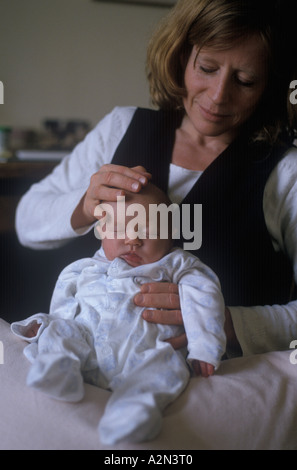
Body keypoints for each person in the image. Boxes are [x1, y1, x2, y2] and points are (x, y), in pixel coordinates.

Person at [15, 0, 297, 359]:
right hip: (92, 364)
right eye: (207, 68)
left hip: (214, 380)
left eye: (245, 80)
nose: (218, 95)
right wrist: (83, 206)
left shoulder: (285, 172)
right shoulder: (120, 127)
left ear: (270, 86)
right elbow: (26, 220)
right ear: (181, 57)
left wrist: (228, 323)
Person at [11, 183, 226, 444]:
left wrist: (204, 346)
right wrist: (47, 326)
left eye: (148, 230)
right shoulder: (82, 269)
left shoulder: (175, 263)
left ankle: (134, 410)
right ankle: (60, 367)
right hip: (86, 343)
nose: (133, 240)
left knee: (167, 366)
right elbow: (61, 308)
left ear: (171, 235)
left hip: (147, 351)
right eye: (121, 228)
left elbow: (204, 297)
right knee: (60, 330)